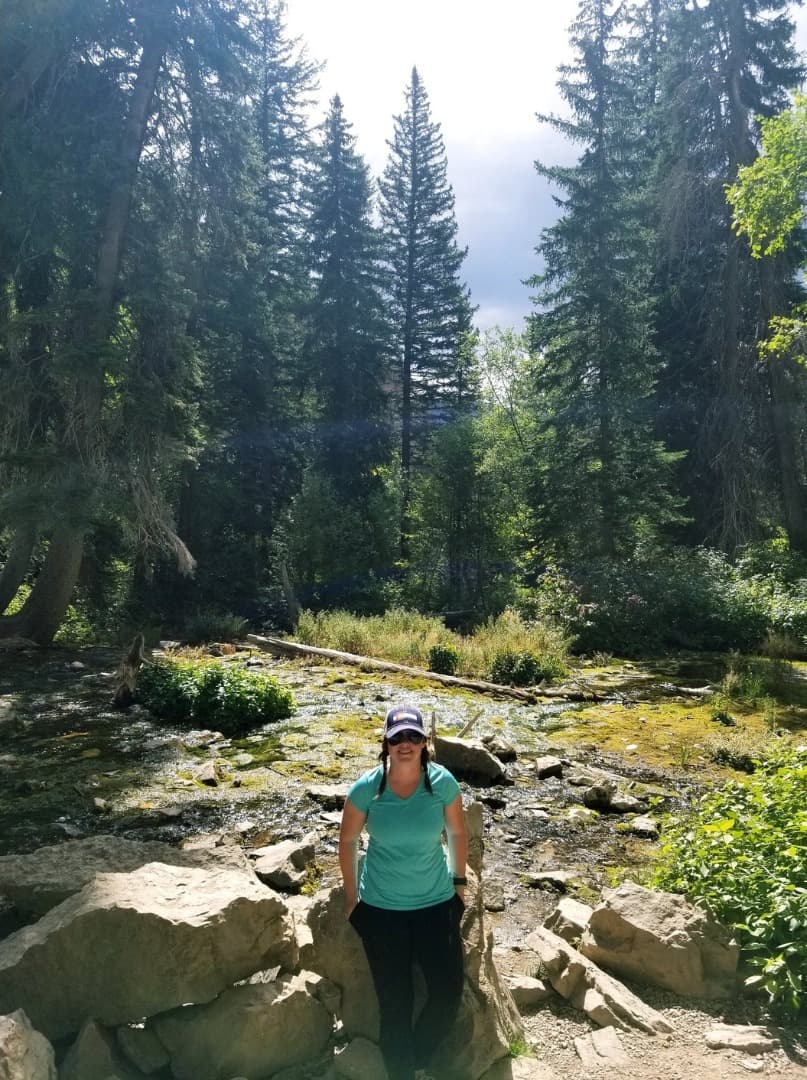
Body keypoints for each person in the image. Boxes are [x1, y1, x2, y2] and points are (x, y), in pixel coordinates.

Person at [339, 704, 468, 1080]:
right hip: (381, 911)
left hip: (436, 904)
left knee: (446, 993)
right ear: (386, 743)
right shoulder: (367, 788)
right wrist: (351, 899)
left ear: (425, 742)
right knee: (395, 1003)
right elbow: (347, 841)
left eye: (413, 736)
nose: (405, 744)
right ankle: (401, 1072)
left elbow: (457, 833)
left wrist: (459, 883)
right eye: (397, 737)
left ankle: (418, 1062)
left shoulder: (442, 783)